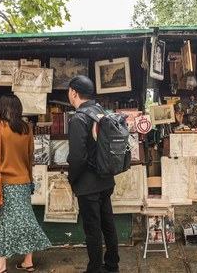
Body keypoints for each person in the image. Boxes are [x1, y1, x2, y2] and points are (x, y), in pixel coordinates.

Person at [0, 94, 51, 273]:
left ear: (1, 108)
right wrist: (30, 179)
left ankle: (1, 265)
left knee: (2, 223)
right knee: (26, 220)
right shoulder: (26, 129)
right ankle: (28, 261)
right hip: (23, 182)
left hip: (3, 184)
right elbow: (29, 157)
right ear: (18, 108)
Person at [67, 75, 120, 273]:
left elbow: (78, 157)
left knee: (93, 230)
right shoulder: (100, 112)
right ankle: (112, 265)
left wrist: (72, 179)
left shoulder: (79, 118)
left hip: (88, 185)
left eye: (69, 92)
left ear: (74, 92)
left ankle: (95, 269)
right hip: (106, 179)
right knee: (108, 225)